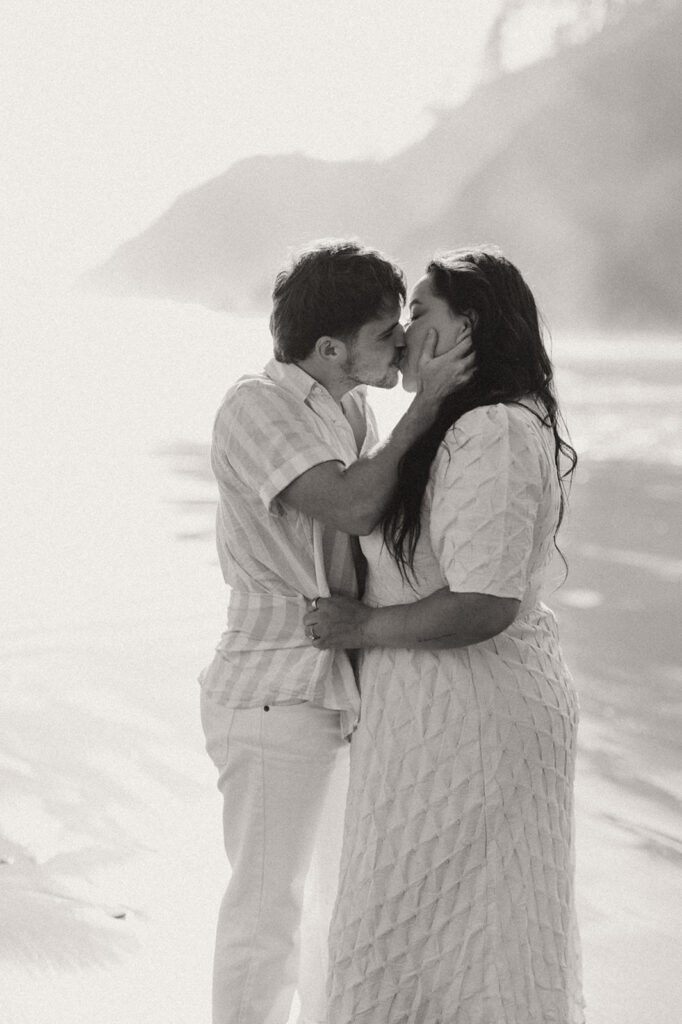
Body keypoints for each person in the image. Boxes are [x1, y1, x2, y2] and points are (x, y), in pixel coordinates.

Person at [304, 247, 585, 1024]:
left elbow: (485, 603)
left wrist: (364, 626)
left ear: (467, 328)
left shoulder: (492, 431)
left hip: (473, 721)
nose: (401, 329)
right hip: (432, 719)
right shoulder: (450, 424)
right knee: (419, 952)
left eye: (420, 312)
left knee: (419, 951)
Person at [199, 239, 474, 1024]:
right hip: (271, 690)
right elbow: (352, 506)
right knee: (266, 915)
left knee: (334, 909)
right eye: (388, 331)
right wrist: (424, 406)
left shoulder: (351, 407)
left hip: (341, 685)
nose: (402, 344)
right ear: (330, 348)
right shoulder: (254, 405)